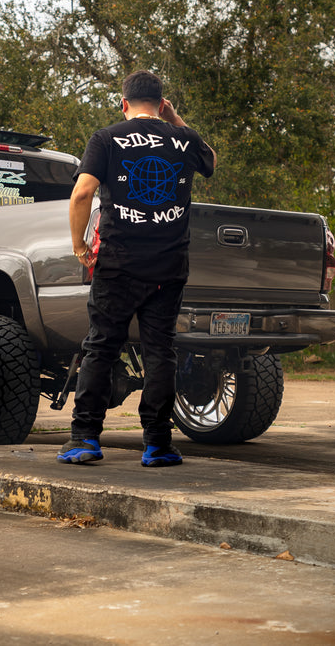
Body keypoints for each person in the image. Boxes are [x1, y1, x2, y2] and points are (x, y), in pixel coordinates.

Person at [58, 70, 216, 467]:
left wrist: (79, 245)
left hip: (118, 265)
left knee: (101, 347)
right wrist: (175, 121)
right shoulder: (184, 139)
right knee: (160, 351)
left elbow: (82, 194)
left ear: (123, 103)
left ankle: (84, 439)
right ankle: (158, 444)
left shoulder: (106, 138)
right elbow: (210, 161)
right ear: (162, 104)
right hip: (168, 268)